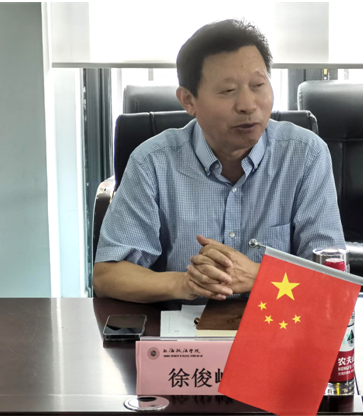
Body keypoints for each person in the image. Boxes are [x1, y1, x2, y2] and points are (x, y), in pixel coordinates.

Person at [93, 19, 345, 304]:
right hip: (183, 329)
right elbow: (107, 275)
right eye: (228, 91)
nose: (248, 105)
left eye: (258, 85)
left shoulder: (305, 155)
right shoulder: (152, 162)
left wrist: (258, 276)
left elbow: (332, 279)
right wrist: (185, 282)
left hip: (278, 323)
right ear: (188, 100)